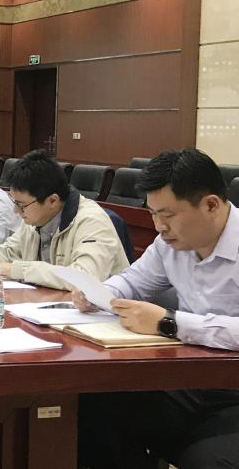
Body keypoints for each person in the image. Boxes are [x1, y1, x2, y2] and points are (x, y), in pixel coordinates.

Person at [75, 148, 239, 469]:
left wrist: (170, 323)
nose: (159, 226)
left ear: (211, 205)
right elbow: (132, 281)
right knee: (93, 403)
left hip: (234, 392)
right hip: (191, 381)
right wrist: (98, 294)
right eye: (152, 214)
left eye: (168, 215)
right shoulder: (170, 244)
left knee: (206, 461)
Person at [0, 149, 129, 289]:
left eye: (21, 204)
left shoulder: (92, 221)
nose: (16, 211)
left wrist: (16, 270)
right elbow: (8, 251)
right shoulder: (35, 218)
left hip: (102, 319)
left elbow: (84, 276)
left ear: (52, 200)